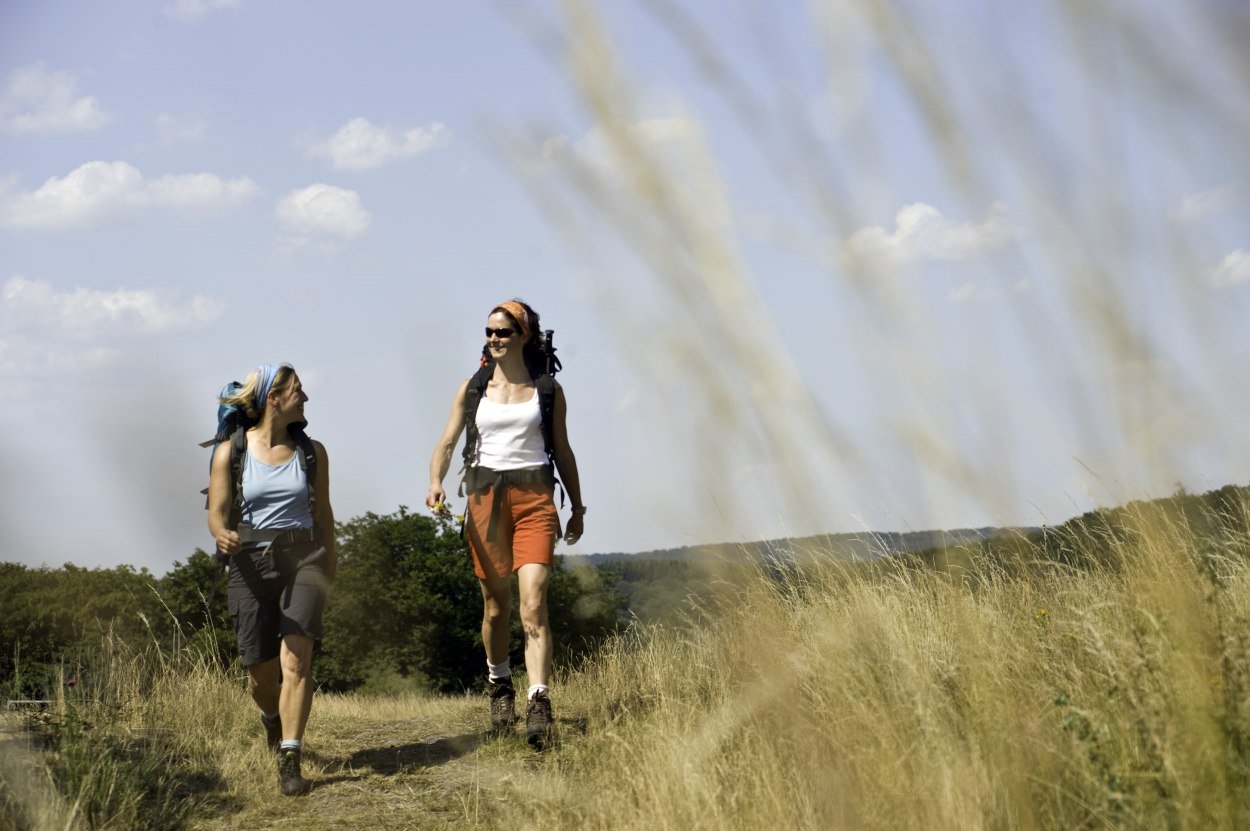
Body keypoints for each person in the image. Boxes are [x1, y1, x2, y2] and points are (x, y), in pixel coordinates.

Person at [426, 300, 584, 749]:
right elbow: (447, 441)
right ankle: (499, 685)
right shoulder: (472, 388)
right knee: (496, 607)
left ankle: (539, 700)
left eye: (504, 333)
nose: (494, 339)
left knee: (533, 603)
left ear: (524, 337)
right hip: (485, 502)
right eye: (490, 332)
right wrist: (435, 481)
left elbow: (564, 450)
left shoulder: (547, 390)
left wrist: (577, 506)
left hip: (535, 499)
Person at [206, 364, 336, 796]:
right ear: (273, 400)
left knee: (296, 662)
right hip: (249, 562)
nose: (306, 398)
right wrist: (220, 533)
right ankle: (271, 719)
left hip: (305, 560)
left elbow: (324, 514)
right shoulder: (231, 453)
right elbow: (218, 511)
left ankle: (290, 758)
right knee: (260, 676)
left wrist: (330, 562)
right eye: (298, 391)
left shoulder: (313, 452)